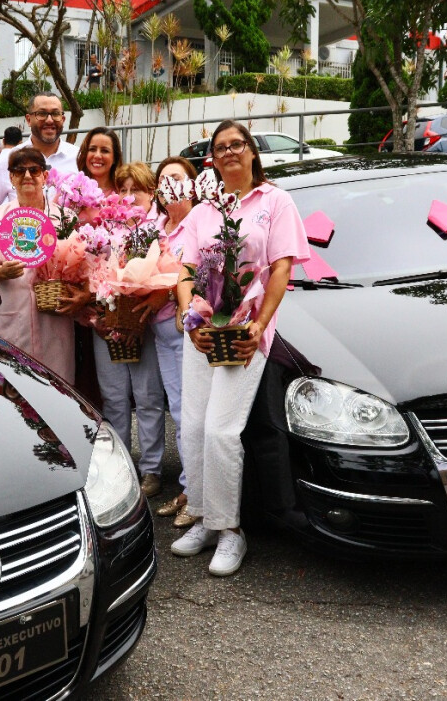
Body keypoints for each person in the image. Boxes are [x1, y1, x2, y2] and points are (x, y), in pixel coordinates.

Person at [171, 121, 309, 577]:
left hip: (246, 335)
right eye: (220, 148)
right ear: (212, 159)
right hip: (205, 334)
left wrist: (261, 325)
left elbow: (281, 269)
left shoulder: (276, 202)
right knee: (191, 428)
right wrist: (190, 316)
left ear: (252, 153)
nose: (229, 152)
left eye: (238, 145)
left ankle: (231, 530)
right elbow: (186, 271)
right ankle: (205, 519)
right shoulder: (202, 213)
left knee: (221, 432)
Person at [91, 161, 168, 499]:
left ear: (151, 192)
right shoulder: (105, 227)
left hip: (145, 324)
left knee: (148, 397)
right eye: (122, 189)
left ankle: (151, 469)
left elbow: (170, 271)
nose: (127, 195)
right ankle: (119, 467)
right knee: (113, 398)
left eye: (135, 188)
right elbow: (88, 269)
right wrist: (99, 306)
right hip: (106, 323)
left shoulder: (160, 229)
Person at [0, 147, 76, 383]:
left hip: (53, 322)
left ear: (45, 176)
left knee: (59, 389)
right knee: (13, 390)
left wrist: (80, 293)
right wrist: (1, 271)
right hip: (11, 317)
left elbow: (81, 269)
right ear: (11, 178)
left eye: (34, 170)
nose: (27, 176)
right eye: (19, 170)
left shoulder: (65, 218)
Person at [151, 156, 198, 529]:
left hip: (190, 332)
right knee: (179, 413)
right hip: (160, 334)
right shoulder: (154, 227)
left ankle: (196, 494)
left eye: (177, 178)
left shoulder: (200, 224)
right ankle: (189, 487)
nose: (170, 186)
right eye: (163, 180)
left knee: (192, 416)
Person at [0, 92, 80, 206]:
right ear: (28, 119)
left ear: (62, 119)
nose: (49, 120)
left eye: (55, 113)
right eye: (41, 113)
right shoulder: (7, 160)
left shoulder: (79, 158)